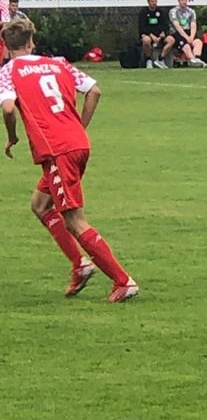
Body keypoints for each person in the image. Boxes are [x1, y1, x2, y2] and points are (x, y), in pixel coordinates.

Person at [0, 19, 138, 301]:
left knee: (74, 220)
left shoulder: (8, 72)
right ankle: (80, 265)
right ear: (32, 41)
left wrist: (12, 137)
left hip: (57, 151)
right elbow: (94, 90)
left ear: (6, 46)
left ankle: (123, 281)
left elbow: (9, 108)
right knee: (40, 205)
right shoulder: (58, 63)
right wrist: (80, 126)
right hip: (77, 143)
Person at [163, 0, 207, 67]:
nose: (184, 2)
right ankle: (193, 60)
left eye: (186, 0)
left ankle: (197, 59)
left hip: (188, 31)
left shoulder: (191, 11)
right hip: (177, 33)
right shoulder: (173, 11)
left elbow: (193, 25)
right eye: (182, 0)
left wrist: (192, 36)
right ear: (179, 1)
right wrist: (187, 38)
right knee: (186, 46)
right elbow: (177, 26)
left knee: (198, 42)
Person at [137, 0, 169, 69]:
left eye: (155, 1)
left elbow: (165, 25)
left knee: (171, 40)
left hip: (159, 35)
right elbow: (142, 27)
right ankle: (148, 60)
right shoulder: (143, 12)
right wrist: (152, 36)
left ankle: (160, 59)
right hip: (149, 35)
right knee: (146, 40)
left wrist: (162, 33)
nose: (154, 3)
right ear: (148, 2)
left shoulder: (161, 12)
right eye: (152, 1)